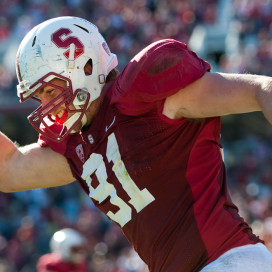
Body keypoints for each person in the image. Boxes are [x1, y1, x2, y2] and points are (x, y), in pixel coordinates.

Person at [1, 16, 272, 271]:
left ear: (85, 67)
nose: (47, 106)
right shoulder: (78, 146)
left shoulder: (145, 97)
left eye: (51, 90)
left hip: (230, 259)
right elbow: (8, 170)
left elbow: (259, 88)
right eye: (41, 97)